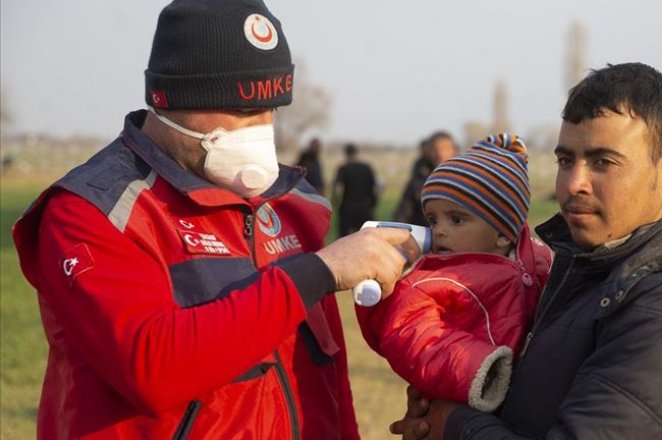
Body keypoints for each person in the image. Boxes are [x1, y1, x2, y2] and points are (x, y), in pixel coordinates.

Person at [10, 1, 411, 438]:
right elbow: (151, 369)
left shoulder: (292, 203)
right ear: (169, 100)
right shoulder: (94, 211)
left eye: (271, 110)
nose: (259, 129)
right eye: (240, 112)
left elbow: (326, 375)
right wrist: (318, 272)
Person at [391, 62, 662, 439]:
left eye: (603, 162)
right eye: (565, 160)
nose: (574, 183)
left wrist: (457, 425)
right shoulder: (584, 266)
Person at [357, 134, 552, 412]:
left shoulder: (540, 259)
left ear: (502, 233)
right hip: (474, 397)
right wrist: (479, 368)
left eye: (456, 219)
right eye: (433, 219)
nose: (439, 230)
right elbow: (409, 331)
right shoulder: (432, 280)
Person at [394, 131, 458, 226]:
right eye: (436, 149)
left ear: (454, 150)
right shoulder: (418, 179)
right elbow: (404, 211)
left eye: (445, 149)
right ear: (429, 151)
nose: (440, 154)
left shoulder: (466, 178)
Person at [333, 143, 378, 236]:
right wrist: (373, 204)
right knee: (365, 236)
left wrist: (335, 202)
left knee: (344, 238)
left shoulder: (344, 168)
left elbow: (336, 188)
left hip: (348, 206)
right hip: (364, 206)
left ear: (346, 153)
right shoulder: (366, 168)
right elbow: (374, 188)